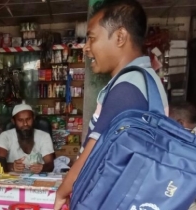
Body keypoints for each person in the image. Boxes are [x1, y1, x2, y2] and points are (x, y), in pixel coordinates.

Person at [54, 0, 169, 209]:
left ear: (120, 37)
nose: (86, 49)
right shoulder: (146, 80)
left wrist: (63, 190)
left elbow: (93, 154)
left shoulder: (127, 88)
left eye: (91, 39)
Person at [0, 102, 55, 173]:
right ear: (13, 121)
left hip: (37, 177)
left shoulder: (44, 136)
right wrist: (11, 166)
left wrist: (42, 167)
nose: (25, 124)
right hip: (13, 179)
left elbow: (50, 164)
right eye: (20, 120)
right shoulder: (5, 136)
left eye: (28, 119)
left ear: (33, 118)